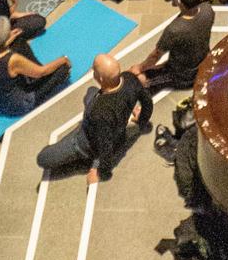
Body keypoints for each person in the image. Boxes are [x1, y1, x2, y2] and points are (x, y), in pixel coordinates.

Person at [35, 54, 152, 183]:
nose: (92, 69)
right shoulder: (130, 78)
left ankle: (93, 159)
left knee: (43, 159)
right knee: (91, 91)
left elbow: (106, 146)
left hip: (85, 142)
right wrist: (141, 121)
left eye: (94, 68)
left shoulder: (100, 112)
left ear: (100, 78)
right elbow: (147, 102)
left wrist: (102, 172)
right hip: (115, 123)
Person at [135, 0, 214, 92]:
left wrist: (140, 67)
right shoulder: (208, 9)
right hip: (202, 62)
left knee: (140, 79)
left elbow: (155, 56)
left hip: (184, 76)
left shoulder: (174, 29)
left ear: (179, 2)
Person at [0, 15, 71, 115]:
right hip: (18, 104)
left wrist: (8, 39)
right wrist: (63, 59)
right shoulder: (12, 60)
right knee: (63, 69)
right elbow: (41, 72)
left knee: (17, 40)